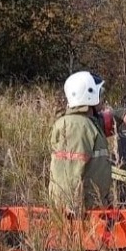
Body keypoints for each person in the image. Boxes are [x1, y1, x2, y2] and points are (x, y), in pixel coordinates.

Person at [49, 71, 112, 213]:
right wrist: (72, 206)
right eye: (99, 93)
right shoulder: (77, 126)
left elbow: (107, 120)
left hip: (90, 206)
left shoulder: (86, 122)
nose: (102, 98)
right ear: (88, 94)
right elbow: (70, 170)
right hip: (80, 211)